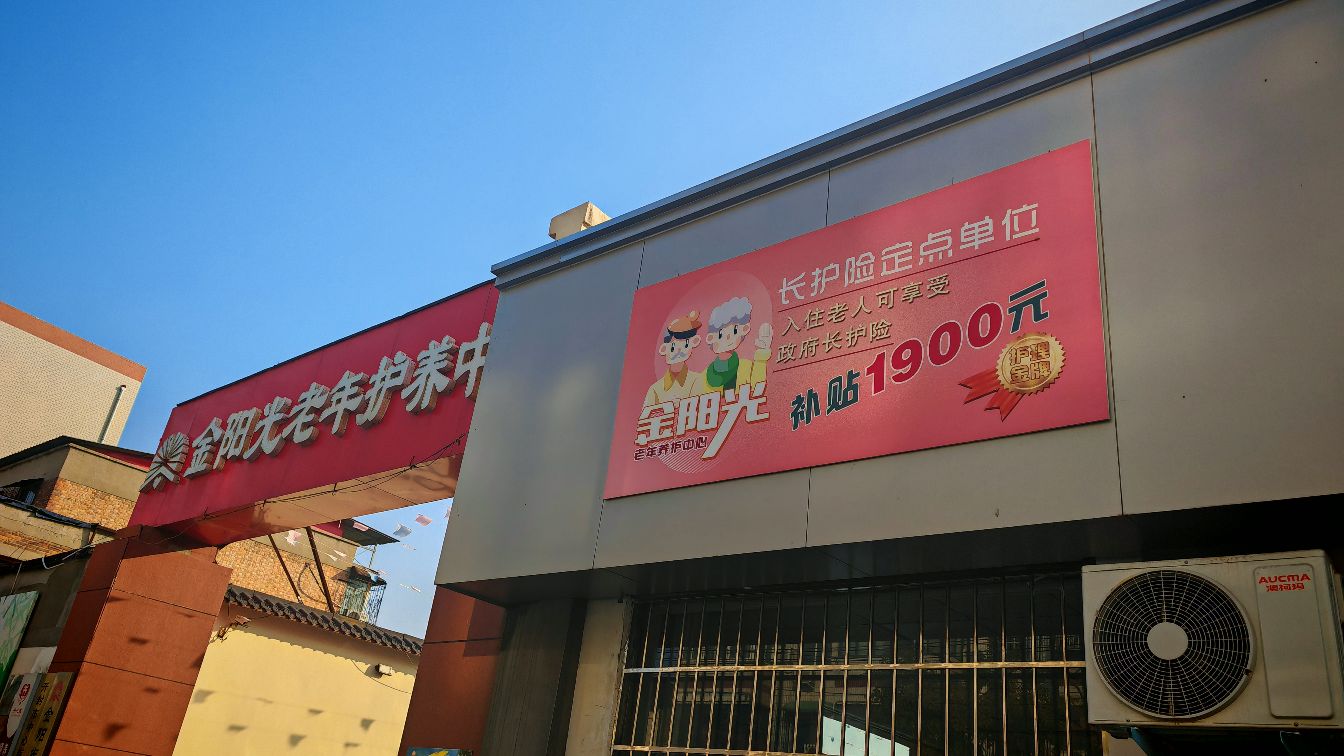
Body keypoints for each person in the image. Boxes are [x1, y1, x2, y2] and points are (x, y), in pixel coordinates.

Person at [704, 297, 773, 391]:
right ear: (710, 338)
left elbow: (758, 386)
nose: (728, 337)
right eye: (720, 334)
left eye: (734, 331)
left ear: (744, 329)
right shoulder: (704, 376)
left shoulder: (746, 366)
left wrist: (761, 356)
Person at [643, 310, 709, 406]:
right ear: (664, 349)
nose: (678, 351)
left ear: (694, 342)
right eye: (673, 347)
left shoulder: (697, 380)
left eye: (685, 345)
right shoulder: (655, 389)